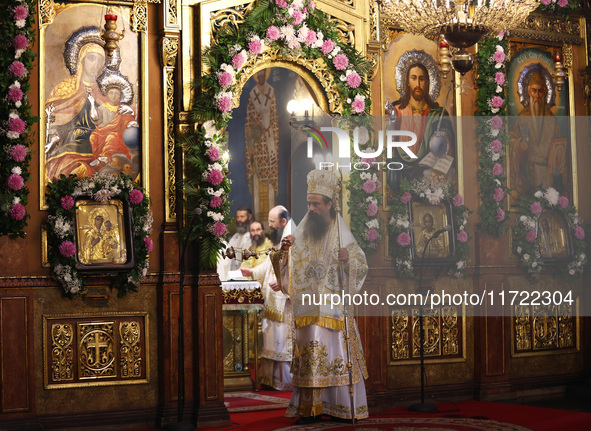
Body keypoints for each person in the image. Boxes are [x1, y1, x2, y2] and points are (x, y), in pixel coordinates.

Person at [285, 170, 369, 424]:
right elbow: (290, 260)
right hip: (309, 308)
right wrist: (282, 253)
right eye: (309, 203)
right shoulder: (303, 229)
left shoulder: (341, 232)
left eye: (316, 204)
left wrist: (348, 262)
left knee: (336, 356)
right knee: (310, 358)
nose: (311, 208)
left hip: (333, 309)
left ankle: (341, 407)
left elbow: (360, 264)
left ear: (330, 204)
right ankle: (310, 409)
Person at [241, 206, 295, 391]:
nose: (270, 226)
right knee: (271, 339)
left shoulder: (293, 240)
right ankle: (270, 379)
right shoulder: (281, 240)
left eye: (272, 222)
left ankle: (283, 381)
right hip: (273, 300)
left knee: (281, 340)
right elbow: (269, 265)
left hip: (285, 302)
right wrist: (252, 271)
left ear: (283, 222)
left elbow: (298, 270)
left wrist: (284, 284)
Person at [385, 56, 455, 192]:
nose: (418, 84)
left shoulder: (437, 114)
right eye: (413, 78)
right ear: (407, 82)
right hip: (401, 171)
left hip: (427, 172)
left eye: (421, 79)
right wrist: (391, 122)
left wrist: (443, 135)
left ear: (428, 83)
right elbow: (387, 143)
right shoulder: (397, 110)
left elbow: (448, 147)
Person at [45, 32, 108, 181]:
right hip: (69, 146)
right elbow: (51, 118)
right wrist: (53, 136)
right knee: (78, 171)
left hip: (95, 146)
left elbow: (109, 123)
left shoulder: (103, 93)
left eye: (100, 61)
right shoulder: (65, 88)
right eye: (92, 59)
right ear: (82, 60)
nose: (96, 65)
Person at [509, 71, 568, 201]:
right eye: (534, 91)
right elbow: (511, 143)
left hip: (549, 174)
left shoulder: (551, 120)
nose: (537, 95)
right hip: (528, 173)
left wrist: (558, 164)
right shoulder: (523, 118)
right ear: (529, 92)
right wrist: (523, 142)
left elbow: (560, 146)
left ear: (545, 93)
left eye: (540, 91)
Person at [244, 69, 279, 220]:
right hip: (258, 142)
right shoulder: (252, 94)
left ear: (266, 74)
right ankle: (258, 218)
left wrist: (272, 134)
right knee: (257, 172)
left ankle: (272, 218)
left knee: (270, 169)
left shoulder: (271, 91)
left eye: (263, 73)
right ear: (256, 76)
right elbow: (249, 118)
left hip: (270, 139)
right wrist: (254, 130)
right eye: (259, 73)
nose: (261, 75)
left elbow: (275, 115)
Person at [87, 73, 138, 174]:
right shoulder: (102, 108)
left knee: (112, 136)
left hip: (120, 137)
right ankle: (102, 158)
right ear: (106, 94)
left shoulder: (125, 108)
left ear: (120, 95)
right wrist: (92, 103)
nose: (114, 96)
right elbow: (95, 118)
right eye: (111, 93)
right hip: (102, 135)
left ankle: (106, 158)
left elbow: (137, 120)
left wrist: (131, 112)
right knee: (93, 136)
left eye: (117, 93)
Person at [217, 206, 253, 281]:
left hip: (246, 275)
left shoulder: (252, 236)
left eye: (242, 217)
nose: (239, 220)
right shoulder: (235, 237)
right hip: (232, 275)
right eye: (237, 217)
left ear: (249, 217)